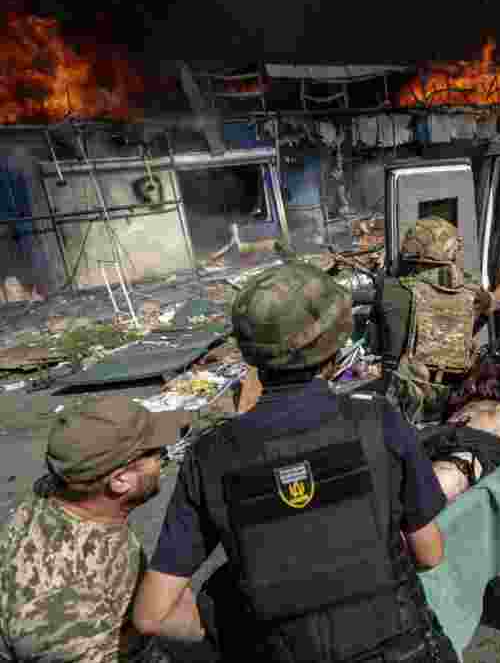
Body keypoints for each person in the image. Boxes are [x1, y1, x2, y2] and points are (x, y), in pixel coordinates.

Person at [131, 262, 459, 662]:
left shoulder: (210, 455)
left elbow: (152, 616)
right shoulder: (379, 421)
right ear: (336, 346)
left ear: (253, 354)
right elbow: (429, 554)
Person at [0, 396, 189, 662]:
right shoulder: (66, 605)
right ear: (120, 480)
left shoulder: (63, 490)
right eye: (155, 453)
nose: (163, 458)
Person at [373, 216, 500, 423]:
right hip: (451, 406)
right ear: (450, 252)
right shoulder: (472, 293)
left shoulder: (388, 290)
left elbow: (375, 346)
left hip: (399, 405)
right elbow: (499, 300)